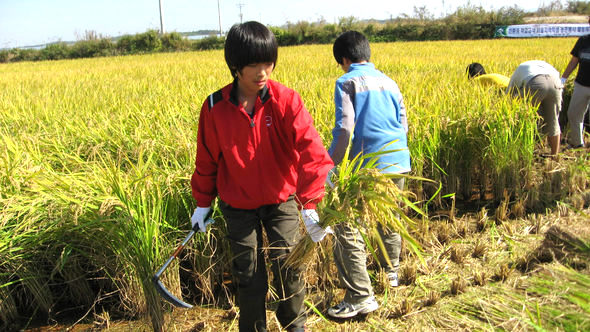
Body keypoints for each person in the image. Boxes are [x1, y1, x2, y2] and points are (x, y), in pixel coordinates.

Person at [189, 21, 334, 332]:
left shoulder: (286, 101)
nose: (262, 71)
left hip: (281, 198)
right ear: (235, 65)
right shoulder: (215, 108)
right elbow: (206, 160)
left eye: (268, 62)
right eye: (253, 64)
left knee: (288, 267)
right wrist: (202, 203)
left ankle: (295, 327)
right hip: (238, 205)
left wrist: (310, 204)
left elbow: (312, 150)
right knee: (249, 275)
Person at [325, 31, 411, 319]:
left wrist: (331, 163)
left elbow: (345, 128)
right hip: (399, 158)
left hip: (369, 163)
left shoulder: (346, 81)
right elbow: (403, 123)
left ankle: (359, 295)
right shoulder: (390, 81)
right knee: (388, 217)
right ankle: (392, 274)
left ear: (344, 59)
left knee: (347, 225)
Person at [507, 60, 563, 157]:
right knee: (553, 121)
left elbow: (509, 94)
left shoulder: (520, 68)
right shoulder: (545, 65)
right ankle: (555, 155)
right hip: (555, 84)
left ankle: (526, 154)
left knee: (526, 119)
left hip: (536, 83)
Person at [560, 26, 590, 149]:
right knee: (573, 113)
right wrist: (563, 79)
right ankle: (578, 143)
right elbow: (574, 61)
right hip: (580, 84)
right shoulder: (583, 41)